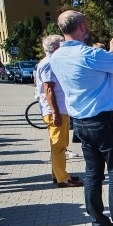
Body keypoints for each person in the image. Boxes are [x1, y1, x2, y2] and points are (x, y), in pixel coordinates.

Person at [48, 10, 113, 226]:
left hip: (81, 123)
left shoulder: (56, 57)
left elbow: (94, 69)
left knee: (93, 174)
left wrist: (111, 50)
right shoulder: (90, 55)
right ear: (83, 26)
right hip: (104, 121)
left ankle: (99, 223)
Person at [36, 34, 83, 188]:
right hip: (55, 111)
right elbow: (48, 89)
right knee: (58, 145)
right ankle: (62, 179)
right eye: (62, 44)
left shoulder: (50, 61)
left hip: (59, 110)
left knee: (60, 145)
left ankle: (58, 174)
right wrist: (55, 112)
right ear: (55, 47)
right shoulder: (49, 63)